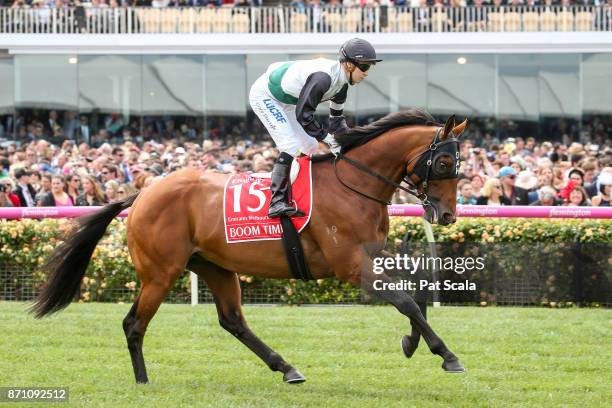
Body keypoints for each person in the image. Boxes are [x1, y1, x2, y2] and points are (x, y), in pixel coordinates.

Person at [249, 38, 381, 218]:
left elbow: (337, 122)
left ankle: (299, 192)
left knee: (310, 146)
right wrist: (327, 139)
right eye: (365, 67)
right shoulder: (323, 79)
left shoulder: (341, 85)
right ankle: (276, 201)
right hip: (265, 96)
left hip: (288, 99)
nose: (366, 73)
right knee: (290, 146)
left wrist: (346, 147)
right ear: (349, 65)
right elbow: (303, 116)